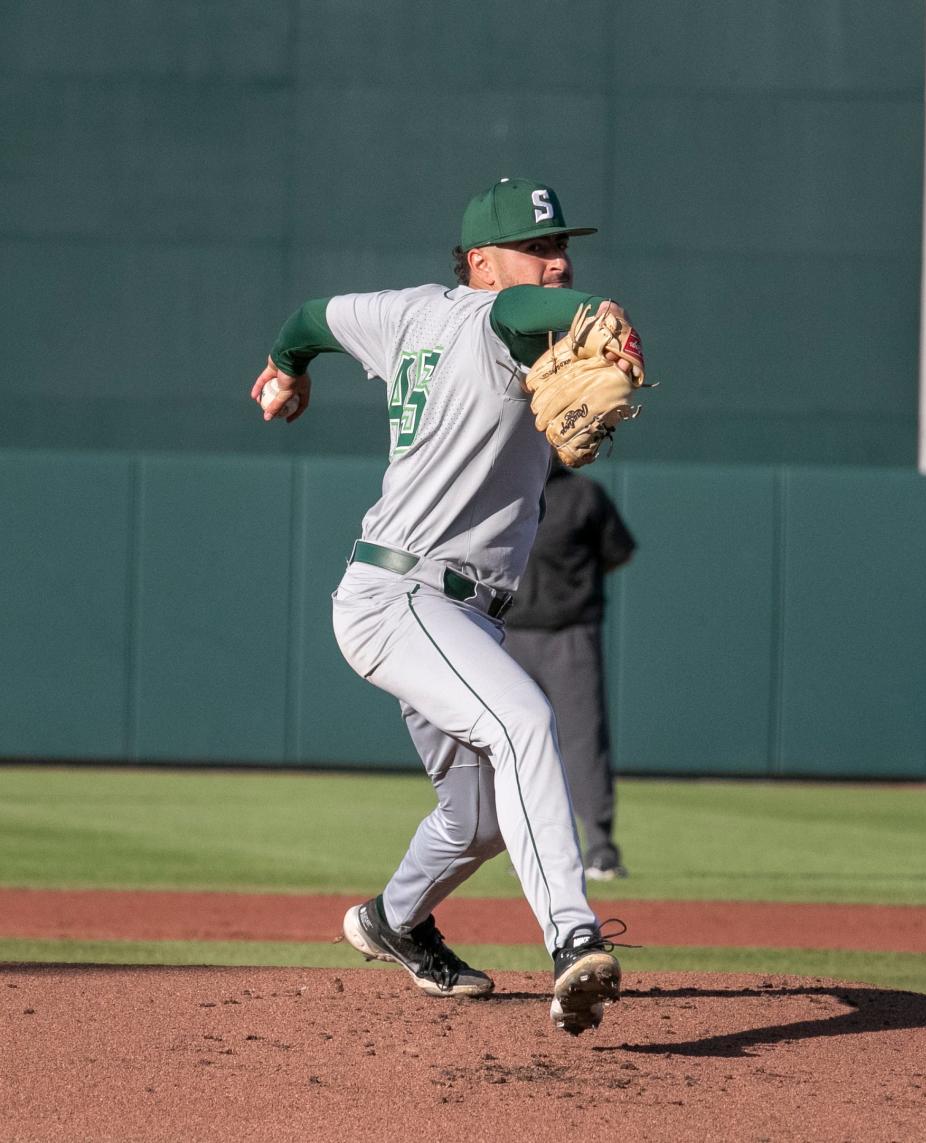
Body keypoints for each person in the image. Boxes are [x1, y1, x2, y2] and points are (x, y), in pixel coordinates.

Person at [250, 177, 642, 1035]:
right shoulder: (497, 314)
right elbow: (513, 319)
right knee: (526, 723)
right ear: (482, 262)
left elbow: (311, 318)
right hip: (405, 595)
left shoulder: (403, 313)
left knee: (476, 821)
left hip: (442, 607)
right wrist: (597, 313)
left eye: (561, 246)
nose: (556, 261)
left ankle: (394, 919)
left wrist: (286, 368)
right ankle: (574, 938)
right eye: (536, 249)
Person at [504, 456, 635, 881]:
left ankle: (600, 849)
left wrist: (575, 589)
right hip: (509, 633)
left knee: (583, 740)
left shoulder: (584, 495)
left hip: (570, 633)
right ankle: (523, 848)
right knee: (512, 746)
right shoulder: (506, 489)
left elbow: (618, 551)